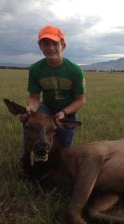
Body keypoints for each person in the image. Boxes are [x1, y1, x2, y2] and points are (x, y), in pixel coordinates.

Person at [18, 24, 86, 173]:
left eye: (55, 43)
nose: (50, 48)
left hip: (67, 110)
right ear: (40, 46)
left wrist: (64, 112)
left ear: (63, 45)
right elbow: (34, 98)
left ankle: (58, 167)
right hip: (46, 108)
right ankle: (26, 158)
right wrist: (31, 110)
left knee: (63, 148)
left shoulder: (75, 71)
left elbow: (80, 100)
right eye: (45, 43)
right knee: (30, 126)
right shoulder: (36, 69)